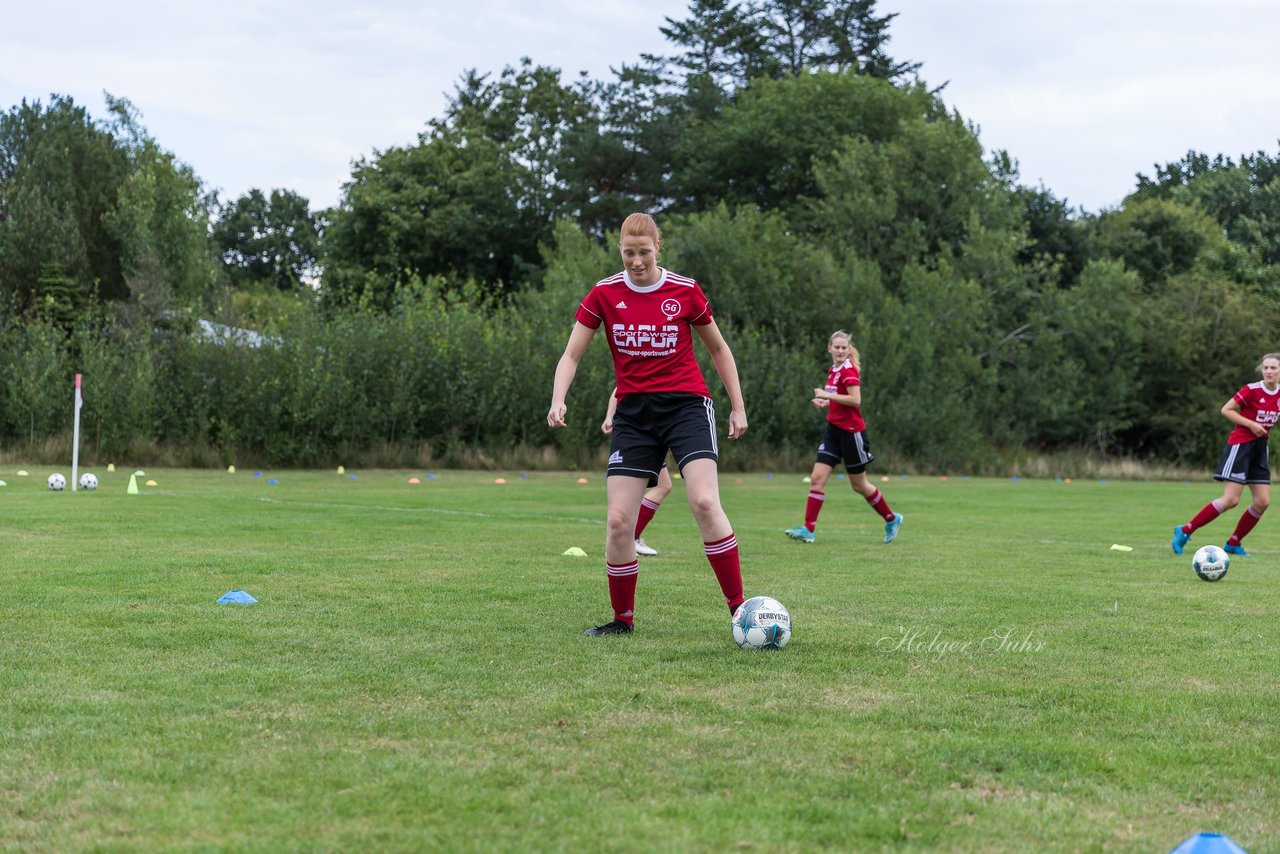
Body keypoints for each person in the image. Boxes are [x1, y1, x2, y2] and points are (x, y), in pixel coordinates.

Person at [548, 212, 748, 636]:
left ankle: (740, 611)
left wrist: (737, 406)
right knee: (620, 522)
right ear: (619, 250)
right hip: (634, 415)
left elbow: (719, 349)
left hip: (687, 407)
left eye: (643, 252)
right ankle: (622, 621)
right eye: (627, 253)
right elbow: (571, 355)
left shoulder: (685, 290)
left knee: (705, 503)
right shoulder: (604, 293)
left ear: (658, 248)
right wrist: (558, 399)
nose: (636, 262)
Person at [785, 329, 902, 545]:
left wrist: (827, 395)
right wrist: (825, 402)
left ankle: (891, 518)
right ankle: (808, 530)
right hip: (833, 431)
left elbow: (855, 400)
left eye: (843, 347)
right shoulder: (834, 369)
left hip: (852, 433)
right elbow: (840, 399)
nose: (840, 351)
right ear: (830, 348)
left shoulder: (849, 371)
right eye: (836, 347)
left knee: (859, 485)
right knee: (817, 479)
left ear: (848, 350)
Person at [1171, 353, 1280, 557]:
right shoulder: (1252, 390)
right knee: (1231, 500)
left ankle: (1233, 543)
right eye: (1266, 367)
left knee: (1262, 502)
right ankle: (1185, 530)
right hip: (1241, 446)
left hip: (1260, 449)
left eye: (1273, 368)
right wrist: (1251, 424)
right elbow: (1226, 410)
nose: (1268, 372)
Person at [603, 387, 672, 556]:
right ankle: (630, 539)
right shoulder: (644, 364)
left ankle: (630, 538)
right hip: (642, 430)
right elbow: (619, 388)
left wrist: (609, 416)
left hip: (648, 427)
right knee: (663, 486)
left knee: (664, 485)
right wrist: (609, 416)